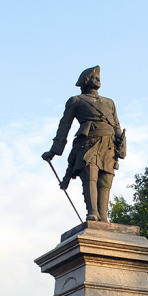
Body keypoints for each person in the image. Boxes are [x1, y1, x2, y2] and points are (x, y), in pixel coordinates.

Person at [41, 65, 126, 222]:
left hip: (108, 145)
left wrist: (121, 146)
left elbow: (116, 126)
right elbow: (64, 126)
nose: (98, 79)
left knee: (106, 180)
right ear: (86, 81)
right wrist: (54, 151)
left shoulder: (109, 102)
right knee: (90, 176)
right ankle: (92, 212)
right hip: (88, 143)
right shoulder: (76, 101)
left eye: (99, 77)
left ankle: (103, 217)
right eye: (94, 77)